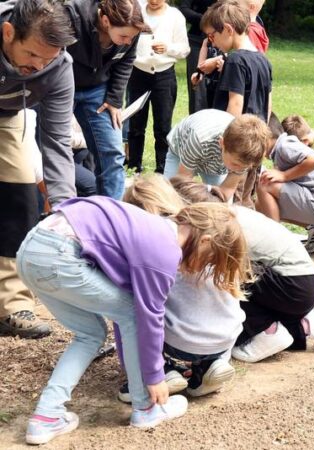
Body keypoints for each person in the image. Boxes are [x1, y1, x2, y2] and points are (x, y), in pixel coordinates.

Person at [18, 196, 250, 445]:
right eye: (210, 258)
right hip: (61, 254)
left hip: (30, 251)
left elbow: (125, 317)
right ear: (205, 241)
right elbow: (148, 318)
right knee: (132, 314)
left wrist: (134, 371)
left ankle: (46, 416)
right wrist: (154, 377)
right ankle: (146, 409)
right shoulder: (165, 250)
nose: (204, 265)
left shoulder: (151, 227)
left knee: (90, 334)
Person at [170, 177, 314, 363]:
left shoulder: (221, 228)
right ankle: (304, 324)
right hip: (303, 283)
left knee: (219, 272)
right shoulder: (229, 213)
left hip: (293, 287)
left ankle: (267, 331)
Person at [120, 175, 243, 399]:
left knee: (131, 308)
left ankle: (165, 370)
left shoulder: (161, 248)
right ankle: (209, 366)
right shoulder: (211, 230)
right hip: (226, 338)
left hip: (183, 343)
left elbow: (148, 310)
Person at [0, 0, 77, 339]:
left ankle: (12, 304)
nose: (39, 65)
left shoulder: (59, 67)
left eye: (48, 57)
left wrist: (66, 211)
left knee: (20, 196)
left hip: (7, 118)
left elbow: (57, 140)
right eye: (32, 55)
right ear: (8, 33)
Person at [66, 0, 148, 200]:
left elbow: (127, 60)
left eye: (132, 37)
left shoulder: (131, 33)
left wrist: (114, 99)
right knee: (54, 149)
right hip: (63, 85)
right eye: (124, 36)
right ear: (105, 20)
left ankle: (112, 213)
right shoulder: (72, 17)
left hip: (98, 91)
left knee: (112, 153)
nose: (129, 41)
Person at [255, 127, 314, 254]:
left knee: (265, 184)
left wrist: (284, 175)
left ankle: (275, 241)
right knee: (261, 204)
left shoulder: (284, 146)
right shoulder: (282, 147)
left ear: (266, 136)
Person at [125, 0, 190, 174]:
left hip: (164, 74)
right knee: (136, 124)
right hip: (138, 72)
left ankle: (162, 168)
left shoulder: (175, 16)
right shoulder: (136, 10)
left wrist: (168, 48)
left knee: (163, 126)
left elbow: (184, 49)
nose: (154, 1)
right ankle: (133, 164)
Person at [164, 110, 270, 201]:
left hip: (216, 164)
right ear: (222, 143)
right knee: (170, 195)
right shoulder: (198, 139)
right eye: (235, 164)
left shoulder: (244, 157)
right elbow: (181, 181)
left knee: (221, 208)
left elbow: (226, 191)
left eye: (243, 167)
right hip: (181, 150)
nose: (237, 170)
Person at [201, 0, 272, 120]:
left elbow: (235, 104)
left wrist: (227, 137)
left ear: (228, 29)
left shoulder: (235, 60)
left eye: (211, 36)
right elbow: (268, 104)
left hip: (237, 134)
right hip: (258, 134)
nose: (212, 43)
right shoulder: (264, 61)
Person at [178, 0, 215, 113]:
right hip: (197, 40)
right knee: (197, 87)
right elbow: (184, 10)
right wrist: (205, 18)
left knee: (221, 85)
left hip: (223, 40)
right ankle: (197, 124)